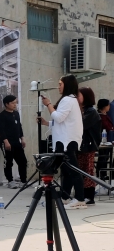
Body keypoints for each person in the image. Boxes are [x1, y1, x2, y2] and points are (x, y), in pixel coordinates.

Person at [39, 74, 85, 209]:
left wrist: (48, 105)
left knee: (73, 170)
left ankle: (80, 199)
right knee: (66, 171)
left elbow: (59, 118)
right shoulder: (71, 100)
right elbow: (62, 122)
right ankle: (65, 197)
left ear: (67, 85)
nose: (58, 86)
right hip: (66, 139)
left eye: (60, 84)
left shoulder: (67, 100)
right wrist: (47, 123)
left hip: (66, 141)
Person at [78, 87, 102, 205]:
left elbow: (81, 125)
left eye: (79, 95)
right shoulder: (82, 110)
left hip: (88, 146)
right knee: (82, 170)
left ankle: (89, 196)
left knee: (87, 170)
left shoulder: (91, 111)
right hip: (81, 146)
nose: (76, 98)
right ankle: (82, 194)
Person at [0, 95, 26, 189]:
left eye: (15, 102)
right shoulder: (2, 116)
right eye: (12, 103)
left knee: (22, 161)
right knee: (8, 162)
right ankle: (10, 181)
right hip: (7, 142)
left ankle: (23, 181)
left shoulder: (16, 114)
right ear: (6, 104)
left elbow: (19, 127)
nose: (15, 104)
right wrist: (6, 141)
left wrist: (22, 138)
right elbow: (1, 130)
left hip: (16, 141)